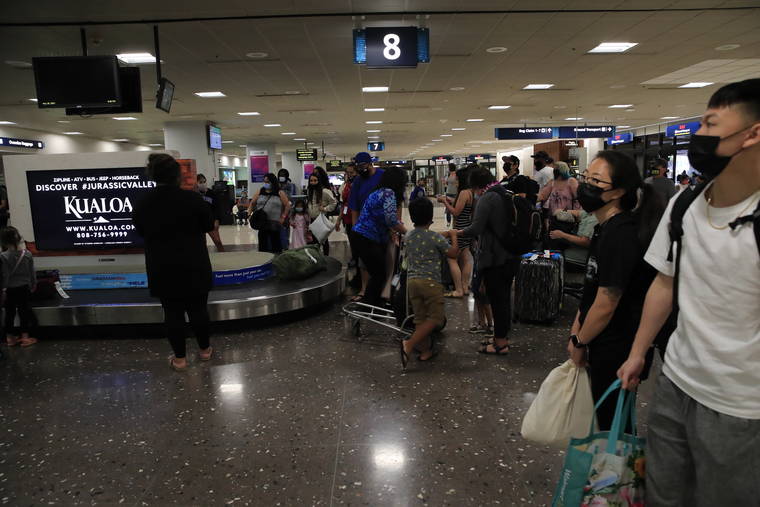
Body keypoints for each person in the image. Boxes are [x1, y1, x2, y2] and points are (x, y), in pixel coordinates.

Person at [617, 79, 760, 505]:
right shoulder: (686, 204)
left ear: (752, 134)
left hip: (741, 403)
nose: (698, 134)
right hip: (675, 380)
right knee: (663, 493)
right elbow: (665, 282)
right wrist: (639, 352)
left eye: (711, 123)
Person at [565, 150, 665, 430]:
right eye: (586, 176)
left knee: (614, 425)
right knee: (604, 419)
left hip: (618, 346)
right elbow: (591, 288)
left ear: (617, 192)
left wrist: (581, 342)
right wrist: (577, 333)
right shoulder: (604, 229)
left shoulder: (622, 234)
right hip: (600, 340)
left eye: (596, 180)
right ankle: (605, 472)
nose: (586, 184)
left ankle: (615, 474)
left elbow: (608, 301)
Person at [133, 154, 215, 371]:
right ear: (178, 175)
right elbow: (208, 224)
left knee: (172, 312)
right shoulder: (193, 200)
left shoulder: (143, 203)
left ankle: (180, 359)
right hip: (194, 263)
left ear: (152, 175)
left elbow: (140, 231)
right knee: (199, 309)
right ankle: (205, 350)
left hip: (162, 265)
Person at [456, 167, 520, 355]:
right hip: (511, 254)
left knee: (497, 300)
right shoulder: (504, 192)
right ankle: (502, 338)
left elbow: (477, 227)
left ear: (476, 185)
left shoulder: (488, 197)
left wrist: (458, 232)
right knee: (504, 299)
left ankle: (500, 344)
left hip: (495, 257)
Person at [400, 198, 458, 368]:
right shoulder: (434, 238)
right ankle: (409, 344)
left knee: (420, 317)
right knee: (436, 318)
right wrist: (453, 236)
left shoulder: (409, 236)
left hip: (412, 282)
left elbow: (422, 239)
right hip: (430, 283)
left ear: (412, 217)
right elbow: (453, 253)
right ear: (431, 218)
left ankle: (425, 352)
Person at [351, 167, 408, 307]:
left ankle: (373, 303)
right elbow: (390, 220)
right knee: (379, 274)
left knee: (378, 273)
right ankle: (369, 305)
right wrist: (408, 232)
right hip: (366, 237)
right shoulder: (389, 193)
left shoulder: (379, 192)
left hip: (362, 236)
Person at [348, 152, 385, 301]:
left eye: (363, 166)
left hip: (382, 226)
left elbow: (395, 199)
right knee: (364, 261)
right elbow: (354, 207)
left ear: (370, 164)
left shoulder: (382, 176)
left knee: (381, 260)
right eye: (358, 167)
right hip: (364, 228)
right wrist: (355, 228)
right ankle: (364, 289)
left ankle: (383, 290)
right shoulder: (358, 181)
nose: (360, 169)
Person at [437, 166, 475, 298]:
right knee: (466, 256)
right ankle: (464, 287)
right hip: (467, 228)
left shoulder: (464, 192)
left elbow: (456, 212)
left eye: (457, 179)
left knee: (452, 258)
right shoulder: (470, 192)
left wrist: (444, 203)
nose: (456, 182)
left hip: (459, 229)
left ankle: (458, 289)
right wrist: (450, 201)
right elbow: (462, 206)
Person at [1, 227, 37, 348]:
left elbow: (4, 275)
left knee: (9, 313)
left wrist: (3, 289)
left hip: (9, 290)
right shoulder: (27, 254)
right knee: (24, 312)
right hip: (24, 288)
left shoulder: (3, 257)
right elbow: (32, 273)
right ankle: (25, 338)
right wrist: (33, 284)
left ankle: (10, 338)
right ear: (18, 238)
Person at [248, 173, 291, 254]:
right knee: (263, 244)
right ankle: (263, 261)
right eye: (264, 182)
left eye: (268, 182)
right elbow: (252, 203)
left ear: (272, 182)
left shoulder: (279, 192)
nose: (266, 184)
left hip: (274, 223)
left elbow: (287, 206)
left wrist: (283, 217)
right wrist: (249, 214)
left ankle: (276, 260)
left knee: (276, 244)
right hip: (262, 222)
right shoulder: (260, 191)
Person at [538, 161, 580, 238]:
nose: (554, 171)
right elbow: (543, 196)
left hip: (568, 217)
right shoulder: (552, 182)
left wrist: (577, 214)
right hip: (554, 218)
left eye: (556, 169)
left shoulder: (571, 181)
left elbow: (578, 199)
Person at [306, 173, 337, 255]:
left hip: (321, 218)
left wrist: (325, 209)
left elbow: (334, 202)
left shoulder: (325, 191)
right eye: (311, 181)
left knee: (323, 239)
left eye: (315, 180)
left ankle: (326, 257)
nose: (313, 182)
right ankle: (317, 257)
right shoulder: (309, 191)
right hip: (312, 219)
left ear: (319, 181)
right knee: (314, 240)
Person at [197, 174, 225, 252]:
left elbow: (217, 208)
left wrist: (217, 220)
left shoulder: (211, 193)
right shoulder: (194, 194)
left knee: (217, 241)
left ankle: (223, 255)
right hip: (199, 221)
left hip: (210, 221)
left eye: (204, 182)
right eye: (200, 182)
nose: (203, 184)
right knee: (202, 242)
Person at [277, 169, 298, 250]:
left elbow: (292, 198)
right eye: (280, 175)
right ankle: (279, 244)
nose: (281, 177)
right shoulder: (277, 185)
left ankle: (285, 244)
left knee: (286, 226)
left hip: (287, 209)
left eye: (283, 175)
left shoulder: (290, 185)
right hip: (277, 209)